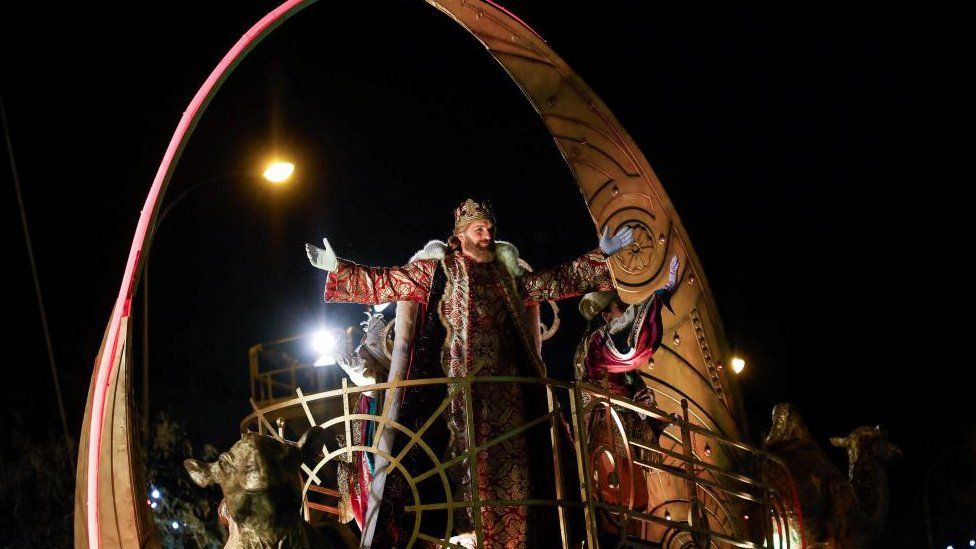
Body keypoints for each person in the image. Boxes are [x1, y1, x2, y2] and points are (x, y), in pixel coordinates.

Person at [306, 198, 633, 548]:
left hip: (506, 399)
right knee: (446, 473)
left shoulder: (506, 275)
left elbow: (552, 283)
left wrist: (601, 255)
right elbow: (387, 281)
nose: (487, 236)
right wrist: (338, 267)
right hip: (452, 397)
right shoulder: (435, 272)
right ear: (460, 235)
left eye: (490, 230)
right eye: (480, 230)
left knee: (513, 479)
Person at [575, 255, 679, 512]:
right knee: (614, 497)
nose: (623, 311)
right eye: (620, 307)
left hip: (626, 430)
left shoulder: (623, 366)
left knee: (635, 500)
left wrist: (657, 416)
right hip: (606, 426)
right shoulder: (595, 345)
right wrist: (659, 294)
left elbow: (638, 389)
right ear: (606, 315)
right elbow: (622, 329)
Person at [334, 311, 395, 530]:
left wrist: (342, 355)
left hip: (374, 435)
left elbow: (360, 373)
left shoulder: (374, 381)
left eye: (363, 355)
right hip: (365, 430)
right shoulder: (370, 384)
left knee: (369, 475)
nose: (358, 357)